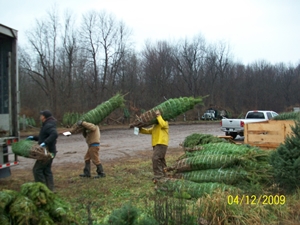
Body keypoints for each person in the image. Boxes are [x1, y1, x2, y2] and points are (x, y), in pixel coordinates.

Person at [27, 110, 58, 191]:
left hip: (47, 152)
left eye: (41, 115)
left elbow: (54, 134)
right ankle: (51, 189)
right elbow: (44, 136)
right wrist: (34, 137)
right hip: (51, 151)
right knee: (46, 170)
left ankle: (42, 190)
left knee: (37, 170)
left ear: (44, 117)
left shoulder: (48, 125)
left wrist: (45, 143)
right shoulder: (47, 124)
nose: (40, 117)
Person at [139, 110, 169, 181]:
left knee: (155, 158)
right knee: (161, 159)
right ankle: (165, 173)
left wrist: (158, 115)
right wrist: (139, 129)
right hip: (156, 144)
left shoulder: (165, 123)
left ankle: (158, 175)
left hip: (161, 143)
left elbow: (162, 124)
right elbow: (148, 131)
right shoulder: (155, 126)